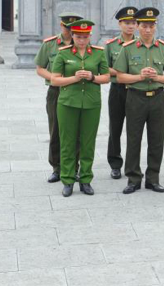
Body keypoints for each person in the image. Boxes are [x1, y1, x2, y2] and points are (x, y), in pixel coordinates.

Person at [113, 7, 164, 194]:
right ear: (138, 27)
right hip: (135, 97)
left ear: (155, 27)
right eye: (144, 26)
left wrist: (157, 77)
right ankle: (133, 179)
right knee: (134, 139)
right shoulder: (128, 48)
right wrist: (140, 76)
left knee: (157, 140)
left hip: (157, 98)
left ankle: (153, 179)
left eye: (151, 26)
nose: (147, 30)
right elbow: (119, 76)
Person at [50, 20, 110, 197]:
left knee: (88, 143)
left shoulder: (98, 53)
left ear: (90, 36)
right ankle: (67, 180)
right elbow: (55, 80)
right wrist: (74, 78)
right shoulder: (63, 53)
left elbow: (106, 77)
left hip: (91, 103)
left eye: (85, 37)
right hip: (68, 103)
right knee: (67, 142)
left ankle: (85, 179)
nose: (82, 40)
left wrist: (92, 77)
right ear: (73, 36)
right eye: (78, 37)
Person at [35, 12, 81, 183]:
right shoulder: (50, 44)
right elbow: (40, 68)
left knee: (75, 131)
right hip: (56, 92)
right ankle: (57, 167)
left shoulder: (83, 43)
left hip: (76, 91)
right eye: (67, 28)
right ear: (61, 26)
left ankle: (74, 167)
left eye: (73, 28)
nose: (69, 31)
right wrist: (56, 77)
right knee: (56, 131)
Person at [104, 7, 138, 180]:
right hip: (117, 91)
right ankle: (115, 164)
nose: (130, 26)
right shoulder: (111, 46)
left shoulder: (140, 44)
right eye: (127, 23)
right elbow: (103, 67)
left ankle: (132, 165)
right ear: (120, 24)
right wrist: (122, 73)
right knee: (115, 128)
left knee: (134, 130)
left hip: (135, 91)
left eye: (133, 23)